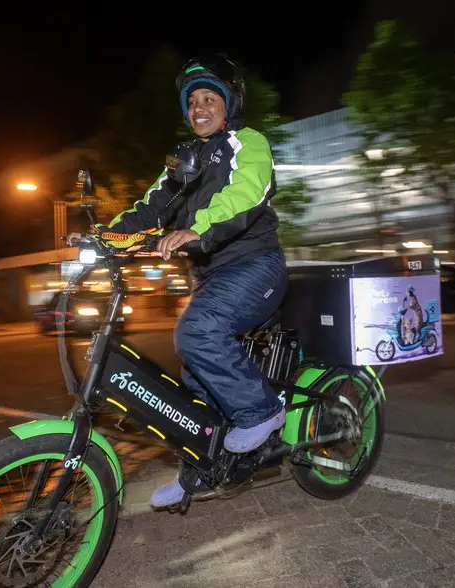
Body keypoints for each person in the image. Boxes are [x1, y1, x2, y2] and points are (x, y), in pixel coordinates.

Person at [103, 54, 288, 507]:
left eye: (210, 98)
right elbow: (146, 210)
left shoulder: (248, 143)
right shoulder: (182, 162)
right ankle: (200, 471)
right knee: (195, 382)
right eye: (193, 102)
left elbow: (248, 191)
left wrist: (199, 227)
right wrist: (103, 238)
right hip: (211, 279)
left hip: (255, 266)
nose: (200, 108)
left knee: (197, 332)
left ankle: (262, 412)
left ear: (229, 105)